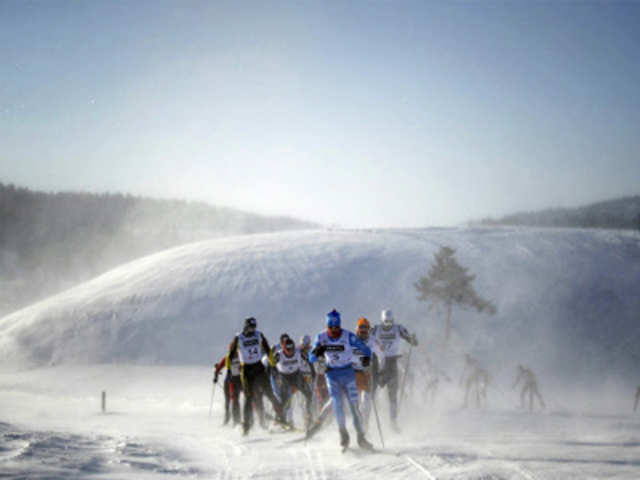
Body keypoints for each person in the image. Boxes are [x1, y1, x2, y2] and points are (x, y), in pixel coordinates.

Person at [309, 309, 374, 451]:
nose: (334, 331)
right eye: (331, 328)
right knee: (337, 403)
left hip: (348, 373)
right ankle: (343, 434)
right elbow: (311, 357)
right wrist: (317, 352)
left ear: (340, 325)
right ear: (327, 327)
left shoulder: (348, 336)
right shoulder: (320, 337)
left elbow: (366, 349)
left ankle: (361, 437)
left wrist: (367, 359)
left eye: (336, 327)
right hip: (332, 375)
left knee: (354, 406)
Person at [227, 317, 285, 435]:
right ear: (246, 327)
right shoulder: (238, 338)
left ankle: (281, 417)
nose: (253, 330)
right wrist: (229, 370)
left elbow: (268, 350)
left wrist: (273, 364)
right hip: (246, 370)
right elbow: (231, 355)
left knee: (269, 392)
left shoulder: (259, 335)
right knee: (249, 397)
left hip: (258, 367)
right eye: (250, 327)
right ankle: (246, 425)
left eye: (254, 327)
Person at [371, 309, 418, 430]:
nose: (388, 324)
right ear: (382, 320)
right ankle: (367, 422)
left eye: (390, 322)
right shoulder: (376, 329)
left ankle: (393, 422)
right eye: (386, 322)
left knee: (392, 396)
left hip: (392, 364)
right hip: (379, 364)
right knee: (371, 394)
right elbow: (364, 339)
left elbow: (412, 340)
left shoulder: (398, 329)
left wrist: (412, 340)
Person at [271, 335, 314, 430]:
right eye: (288, 349)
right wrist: (275, 375)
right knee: (284, 400)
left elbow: (309, 361)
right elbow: (271, 366)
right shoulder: (279, 354)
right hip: (284, 377)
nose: (290, 351)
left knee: (309, 394)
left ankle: (308, 415)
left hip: (296, 375)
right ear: (283, 348)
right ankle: (280, 419)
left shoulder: (298, 352)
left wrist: (313, 373)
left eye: (292, 349)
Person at [352, 317, 385, 433]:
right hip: (352, 374)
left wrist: (380, 370)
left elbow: (381, 355)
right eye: (361, 328)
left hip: (366, 374)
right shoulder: (351, 340)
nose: (364, 330)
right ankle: (357, 427)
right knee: (354, 403)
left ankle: (364, 426)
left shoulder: (373, 341)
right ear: (357, 328)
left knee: (366, 402)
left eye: (366, 328)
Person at [213, 345, 242, 426]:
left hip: (239, 381)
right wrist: (215, 376)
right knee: (228, 401)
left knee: (236, 399)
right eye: (232, 350)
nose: (234, 353)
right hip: (229, 382)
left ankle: (237, 420)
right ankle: (227, 418)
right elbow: (218, 368)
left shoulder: (241, 357)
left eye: (235, 350)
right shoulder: (227, 358)